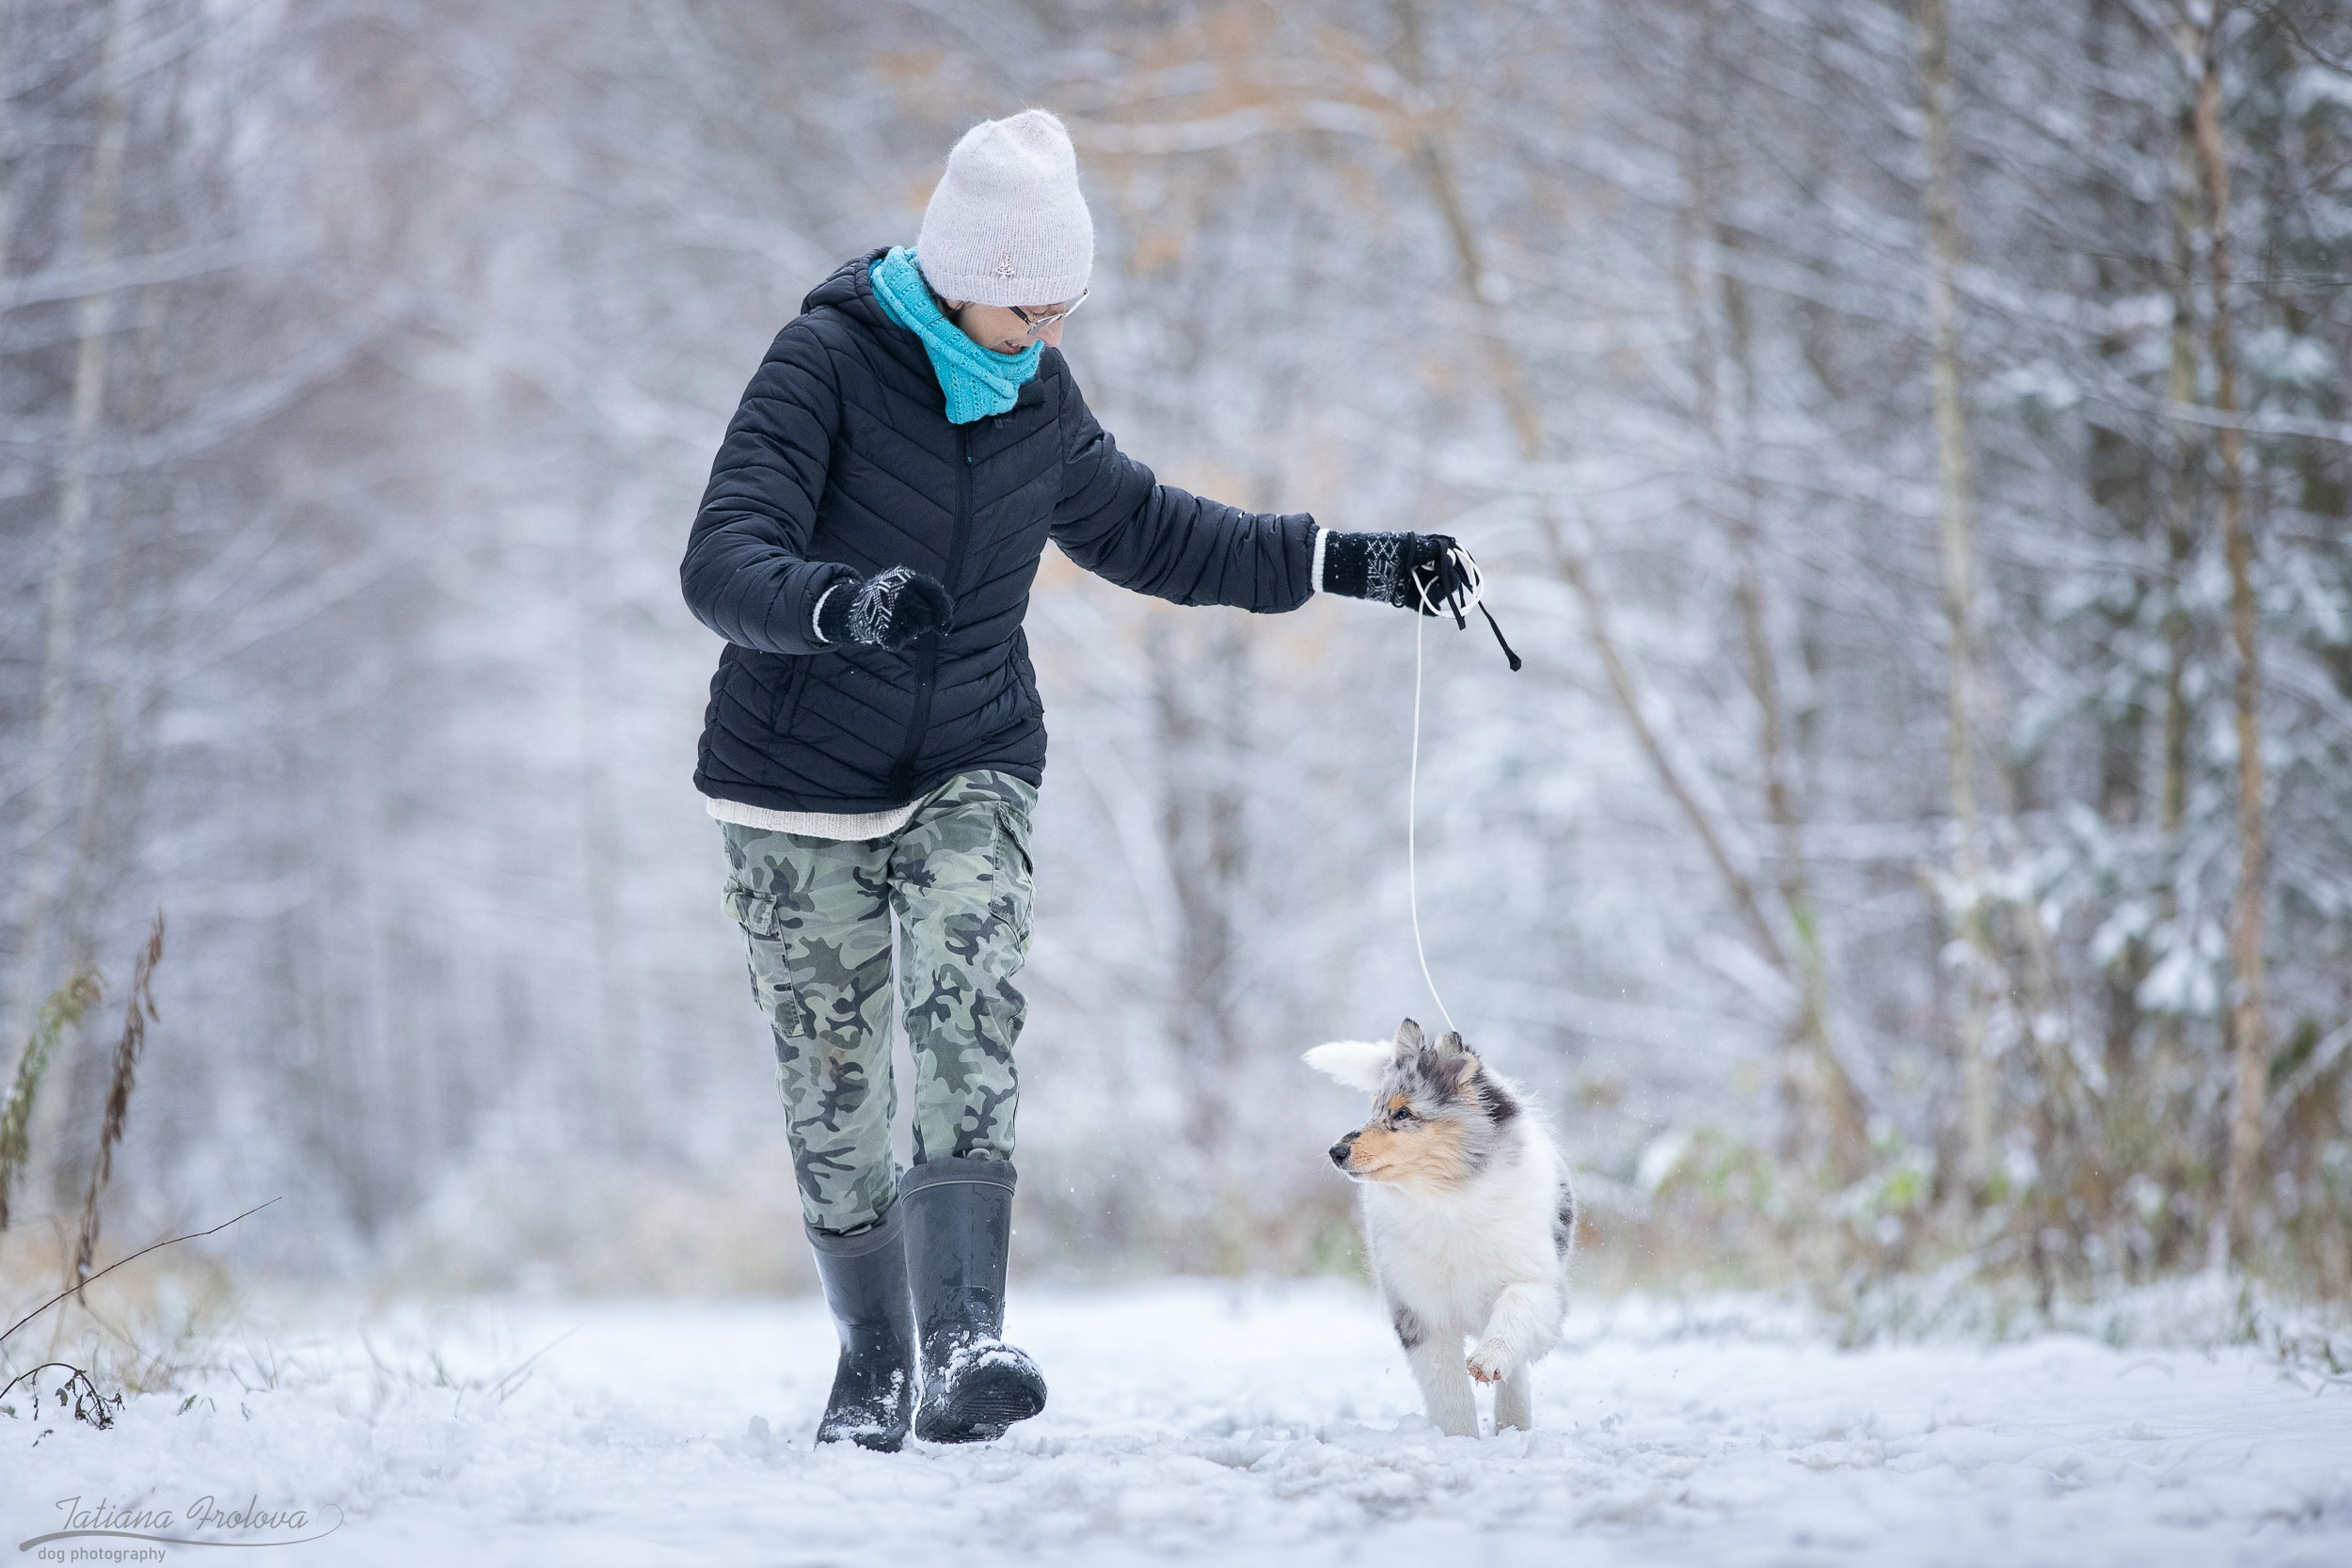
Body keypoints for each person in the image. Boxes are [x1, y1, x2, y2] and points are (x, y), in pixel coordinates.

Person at [679, 107, 1468, 1451]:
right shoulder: (825, 365)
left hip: (970, 757)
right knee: (835, 1087)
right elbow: (721, 557)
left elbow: (1153, 530)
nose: (1045, 334)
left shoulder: (1037, 396)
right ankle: (874, 1352)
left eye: (1066, 309)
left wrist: (1352, 560)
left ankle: (964, 1340)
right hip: (794, 779)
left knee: (968, 1008)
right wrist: (841, 607)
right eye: (1028, 307)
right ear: (959, 276)